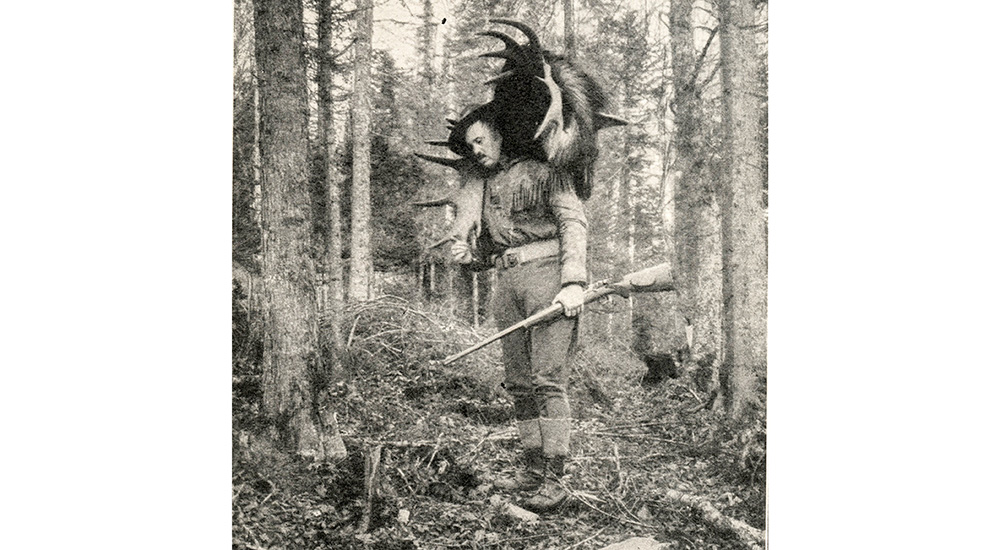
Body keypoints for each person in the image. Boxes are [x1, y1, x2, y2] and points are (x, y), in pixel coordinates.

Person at [448, 108, 587, 513]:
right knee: (519, 382)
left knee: (547, 379)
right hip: (507, 285)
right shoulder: (487, 186)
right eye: (470, 146)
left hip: (548, 277)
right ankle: (532, 468)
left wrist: (573, 281)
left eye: (481, 140)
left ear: (501, 134)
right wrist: (470, 255)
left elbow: (573, 222)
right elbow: (493, 249)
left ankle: (556, 477)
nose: (476, 151)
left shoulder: (547, 170)